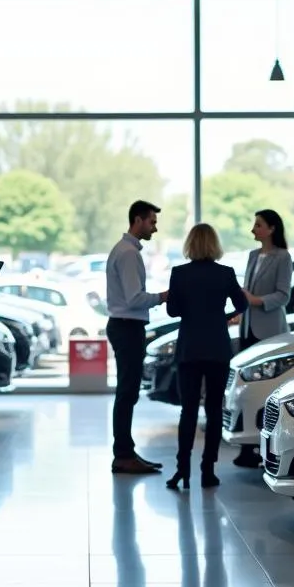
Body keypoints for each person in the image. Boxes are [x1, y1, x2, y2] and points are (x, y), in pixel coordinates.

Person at [165, 223, 248, 491]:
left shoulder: (179, 273)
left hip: (189, 348)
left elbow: (172, 311)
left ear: (190, 244)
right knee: (213, 410)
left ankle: (182, 470)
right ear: (215, 245)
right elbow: (242, 303)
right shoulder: (225, 274)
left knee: (188, 410)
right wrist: (221, 318)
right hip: (217, 348)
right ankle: (208, 470)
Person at [105, 200, 169, 475]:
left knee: (127, 391)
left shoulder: (124, 249)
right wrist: (163, 297)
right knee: (127, 392)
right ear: (138, 220)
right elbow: (134, 298)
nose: (155, 228)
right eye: (152, 222)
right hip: (128, 326)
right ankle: (123, 454)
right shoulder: (129, 253)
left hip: (124, 325)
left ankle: (125, 451)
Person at [234, 209, 292, 469]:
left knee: (267, 388)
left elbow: (282, 296)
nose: (253, 229)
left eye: (257, 225)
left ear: (271, 229)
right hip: (248, 327)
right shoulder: (252, 256)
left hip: (269, 329)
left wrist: (256, 301)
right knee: (247, 388)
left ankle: (267, 447)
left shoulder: (283, 257)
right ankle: (248, 446)